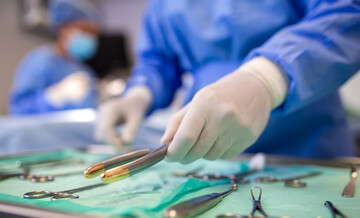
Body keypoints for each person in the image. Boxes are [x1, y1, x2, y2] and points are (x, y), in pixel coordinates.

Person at [96, 0, 360, 164]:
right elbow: (159, 58)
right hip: (208, 155)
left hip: (306, 147)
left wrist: (266, 78)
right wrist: (140, 93)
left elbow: (347, 11)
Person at [9, 0, 100, 115]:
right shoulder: (41, 62)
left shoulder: (85, 71)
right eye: (85, 30)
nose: (90, 37)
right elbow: (18, 110)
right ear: (64, 28)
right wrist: (54, 96)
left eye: (94, 33)